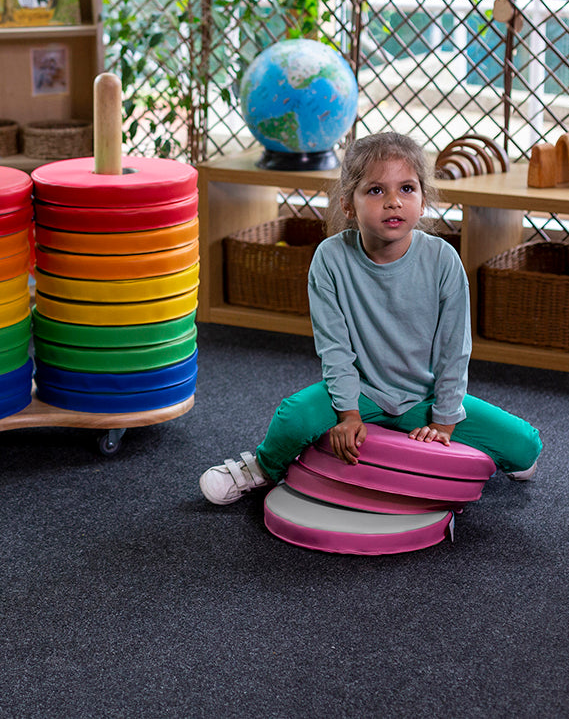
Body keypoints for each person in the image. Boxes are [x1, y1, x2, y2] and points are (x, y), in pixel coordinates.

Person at [200, 131, 543, 505]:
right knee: (294, 416)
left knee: (525, 449)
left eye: (407, 189)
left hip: (423, 396)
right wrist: (348, 414)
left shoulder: (444, 260)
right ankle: (262, 468)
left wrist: (443, 421)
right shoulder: (330, 259)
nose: (394, 202)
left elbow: (454, 350)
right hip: (360, 392)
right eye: (376, 191)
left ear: (424, 200)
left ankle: (440, 434)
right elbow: (334, 348)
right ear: (349, 203)